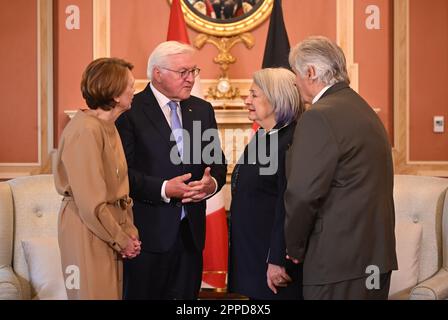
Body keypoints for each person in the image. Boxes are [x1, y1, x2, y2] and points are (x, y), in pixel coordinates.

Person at [284, 36, 397, 300]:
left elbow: (303, 193)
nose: (295, 81)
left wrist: (294, 248)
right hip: (374, 258)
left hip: (337, 262)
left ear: (310, 72)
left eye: (295, 74)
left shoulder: (319, 115)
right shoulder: (363, 108)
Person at [116, 41, 227, 300]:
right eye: (183, 72)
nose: (191, 79)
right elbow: (121, 174)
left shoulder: (201, 109)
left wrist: (211, 185)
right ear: (157, 73)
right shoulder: (129, 110)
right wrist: (165, 189)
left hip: (191, 235)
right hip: (146, 236)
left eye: (194, 72)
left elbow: (217, 164)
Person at [54, 57, 141, 300]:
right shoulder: (85, 130)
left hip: (107, 228)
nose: (134, 90)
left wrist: (128, 231)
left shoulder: (109, 126)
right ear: (114, 94)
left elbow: (118, 189)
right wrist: (121, 239)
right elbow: (91, 202)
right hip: (87, 227)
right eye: (130, 85)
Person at [228, 68, 304, 300]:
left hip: (274, 264)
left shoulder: (292, 141)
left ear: (276, 98)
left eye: (254, 95)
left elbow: (289, 205)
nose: (247, 100)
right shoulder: (263, 135)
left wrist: (277, 259)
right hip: (252, 254)